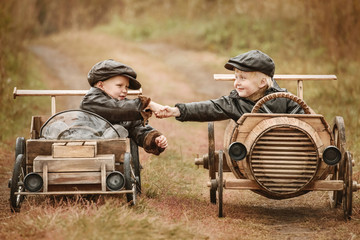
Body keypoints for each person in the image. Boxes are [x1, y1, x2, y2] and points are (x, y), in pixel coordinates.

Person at [154, 50, 304, 121]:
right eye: (235, 77)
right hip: (254, 159)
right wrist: (175, 111)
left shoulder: (285, 99)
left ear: (262, 83)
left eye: (243, 78)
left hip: (287, 154)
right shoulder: (235, 103)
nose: (236, 83)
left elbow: (308, 122)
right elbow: (209, 108)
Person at [80, 59, 167, 155]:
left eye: (126, 87)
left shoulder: (125, 110)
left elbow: (137, 128)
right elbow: (115, 109)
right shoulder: (91, 101)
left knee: (124, 128)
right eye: (119, 85)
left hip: (111, 160)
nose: (125, 90)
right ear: (101, 85)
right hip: (85, 153)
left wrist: (154, 139)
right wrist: (147, 105)